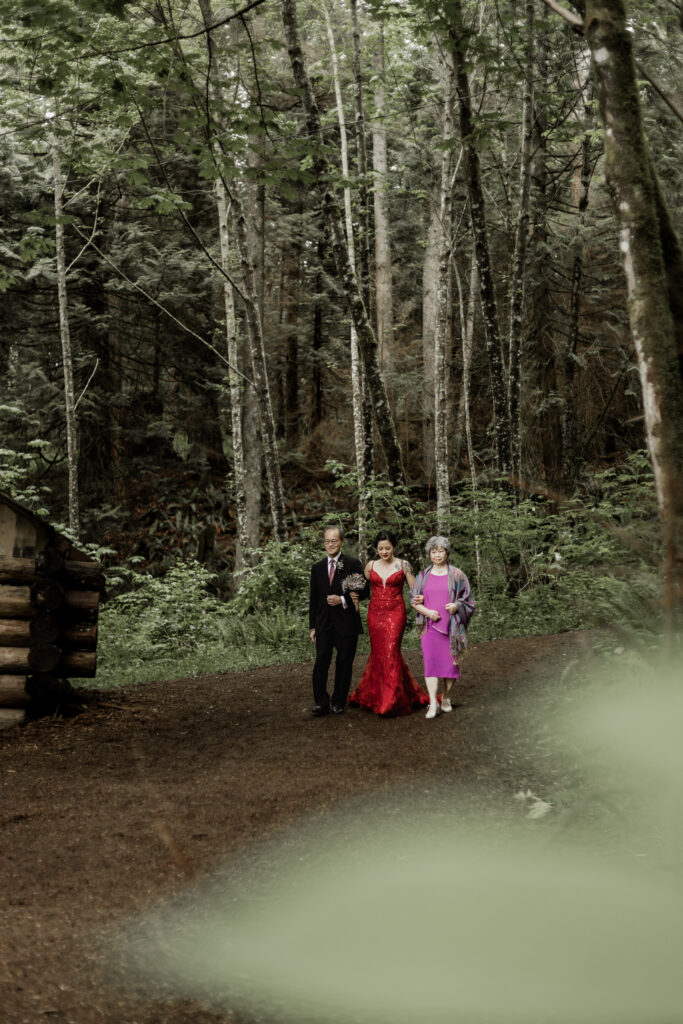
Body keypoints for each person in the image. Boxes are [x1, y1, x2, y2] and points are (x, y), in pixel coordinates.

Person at [349, 531, 429, 716]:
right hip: (375, 614)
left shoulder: (403, 565)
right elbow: (360, 587)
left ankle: (390, 700)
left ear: (394, 547)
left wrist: (422, 599)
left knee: (391, 652)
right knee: (379, 654)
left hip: (396, 613)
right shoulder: (370, 565)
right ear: (376, 549)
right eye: (380, 549)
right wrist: (349, 592)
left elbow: (415, 588)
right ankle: (374, 695)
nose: (384, 552)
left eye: (387, 548)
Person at [411, 536, 475, 720]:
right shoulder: (423, 576)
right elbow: (413, 599)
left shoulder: (457, 575)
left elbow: (469, 600)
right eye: (433, 551)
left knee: (451, 667)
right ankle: (433, 702)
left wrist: (457, 606)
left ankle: (445, 697)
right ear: (429, 554)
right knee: (430, 665)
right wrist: (427, 612)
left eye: (440, 551)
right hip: (430, 627)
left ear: (447, 553)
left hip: (452, 627)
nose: (437, 555)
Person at [309, 525, 368, 716]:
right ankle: (321, 702)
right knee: (321, 663)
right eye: (327, 541)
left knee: (344, 662)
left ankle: (338, 702)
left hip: (346, 623)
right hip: (323, 624)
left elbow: (365, 591)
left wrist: (342, 599)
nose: (330, 544)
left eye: (334, 541)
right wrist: (312, 627)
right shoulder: (317, 568)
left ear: (342, 542)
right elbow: (314, 600)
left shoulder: (352, 564)